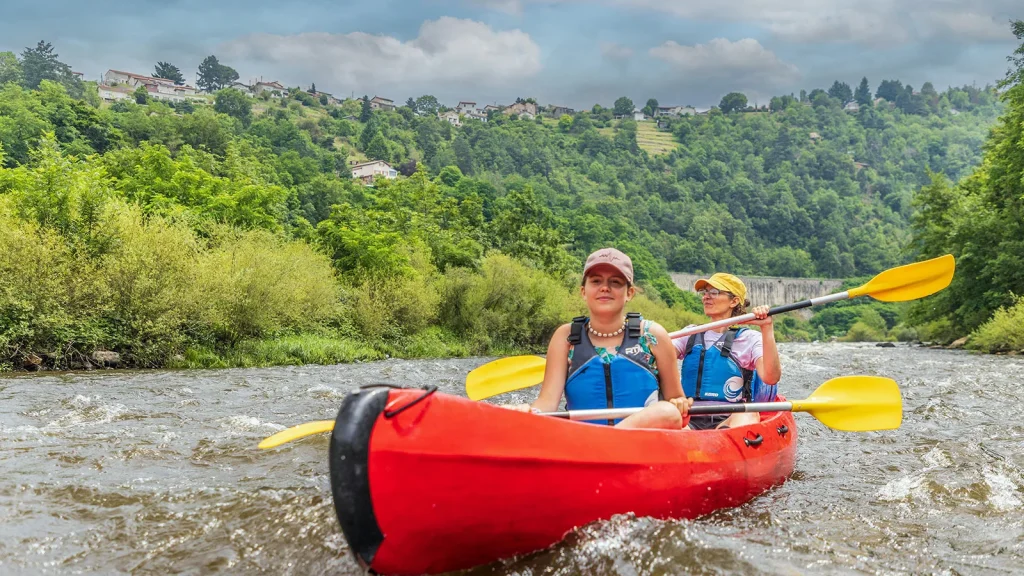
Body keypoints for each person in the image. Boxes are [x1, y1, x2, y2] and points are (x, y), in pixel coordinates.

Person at [507, 248, 692, 429]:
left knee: (668, 412)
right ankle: (605, 444)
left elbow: (675, 399)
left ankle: (610, 441)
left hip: (644, 444)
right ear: (583, 291)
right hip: (582, 443)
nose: (605, 288)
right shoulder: (566, 338)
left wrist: (679, 404)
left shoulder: (653, 336)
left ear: (629, 293)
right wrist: (527, 413)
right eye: (596, 281)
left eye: (615, 282)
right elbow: (547, 403)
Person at [675, 273, 781, 430]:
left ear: (734, 301)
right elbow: (657, 354)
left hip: (731, 417)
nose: (706, 297)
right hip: (688, 418)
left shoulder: (750, 338)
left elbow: (771, 377)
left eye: (714, 292)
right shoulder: (689, 333)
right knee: (666, 414)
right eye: (705, 292)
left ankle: (726, 442)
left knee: (748, 413)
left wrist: (767, 328)